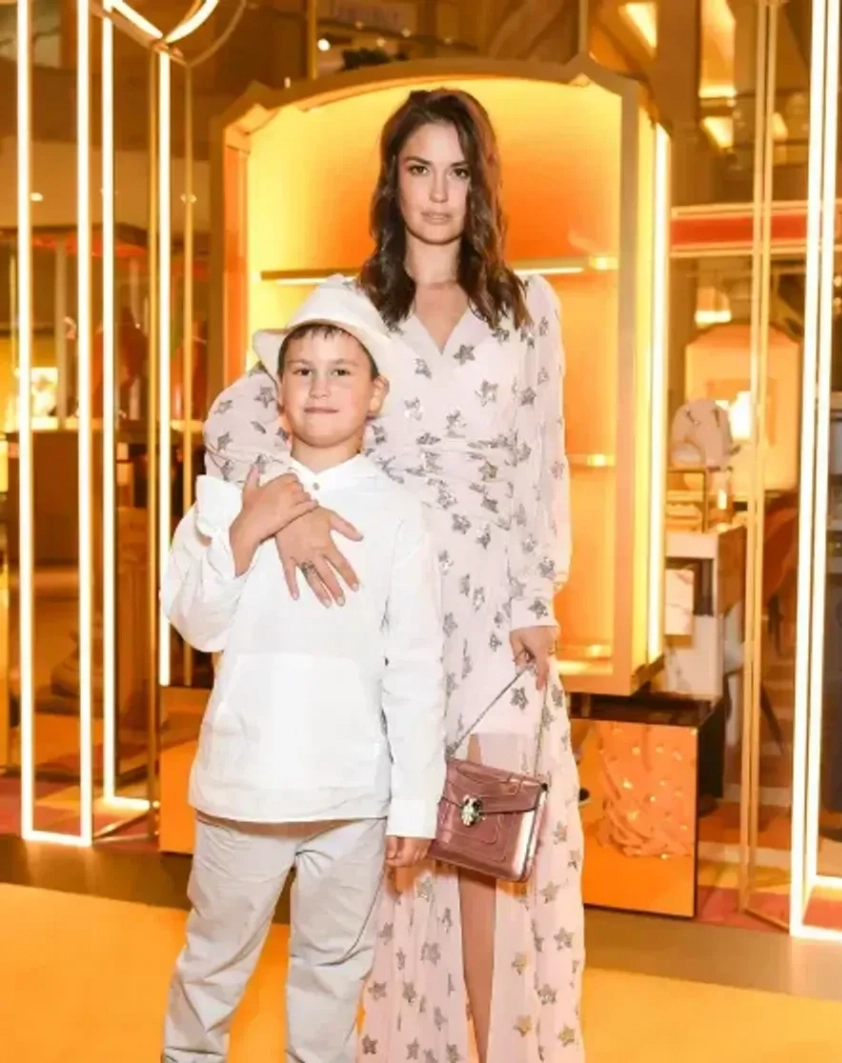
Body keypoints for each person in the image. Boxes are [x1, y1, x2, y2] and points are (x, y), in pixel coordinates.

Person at [203, 88, 584, 1062]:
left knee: (494, 859)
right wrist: (286, 509)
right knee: (393, 863)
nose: (439, 192)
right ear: (393, 181)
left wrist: (539, 595)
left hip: (497, 625)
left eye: (458, 171)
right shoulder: (351, 305)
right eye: (420, 169)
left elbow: (542, 458)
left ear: (481, 184)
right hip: (380, 616)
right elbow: (236, 419)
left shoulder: (527, 307)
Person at [161, 284, 447, 1063]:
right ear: (279, 392)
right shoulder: (229, 496)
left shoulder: (398, 515)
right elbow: (195, 620)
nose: (320, 387)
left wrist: (414, 802)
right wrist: (249, 527)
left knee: (333, 974)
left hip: (353, 794)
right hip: (243, 788)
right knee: (212, 966)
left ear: (375, 393)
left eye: (341, 370)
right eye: (302, 370)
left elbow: (415, 668)